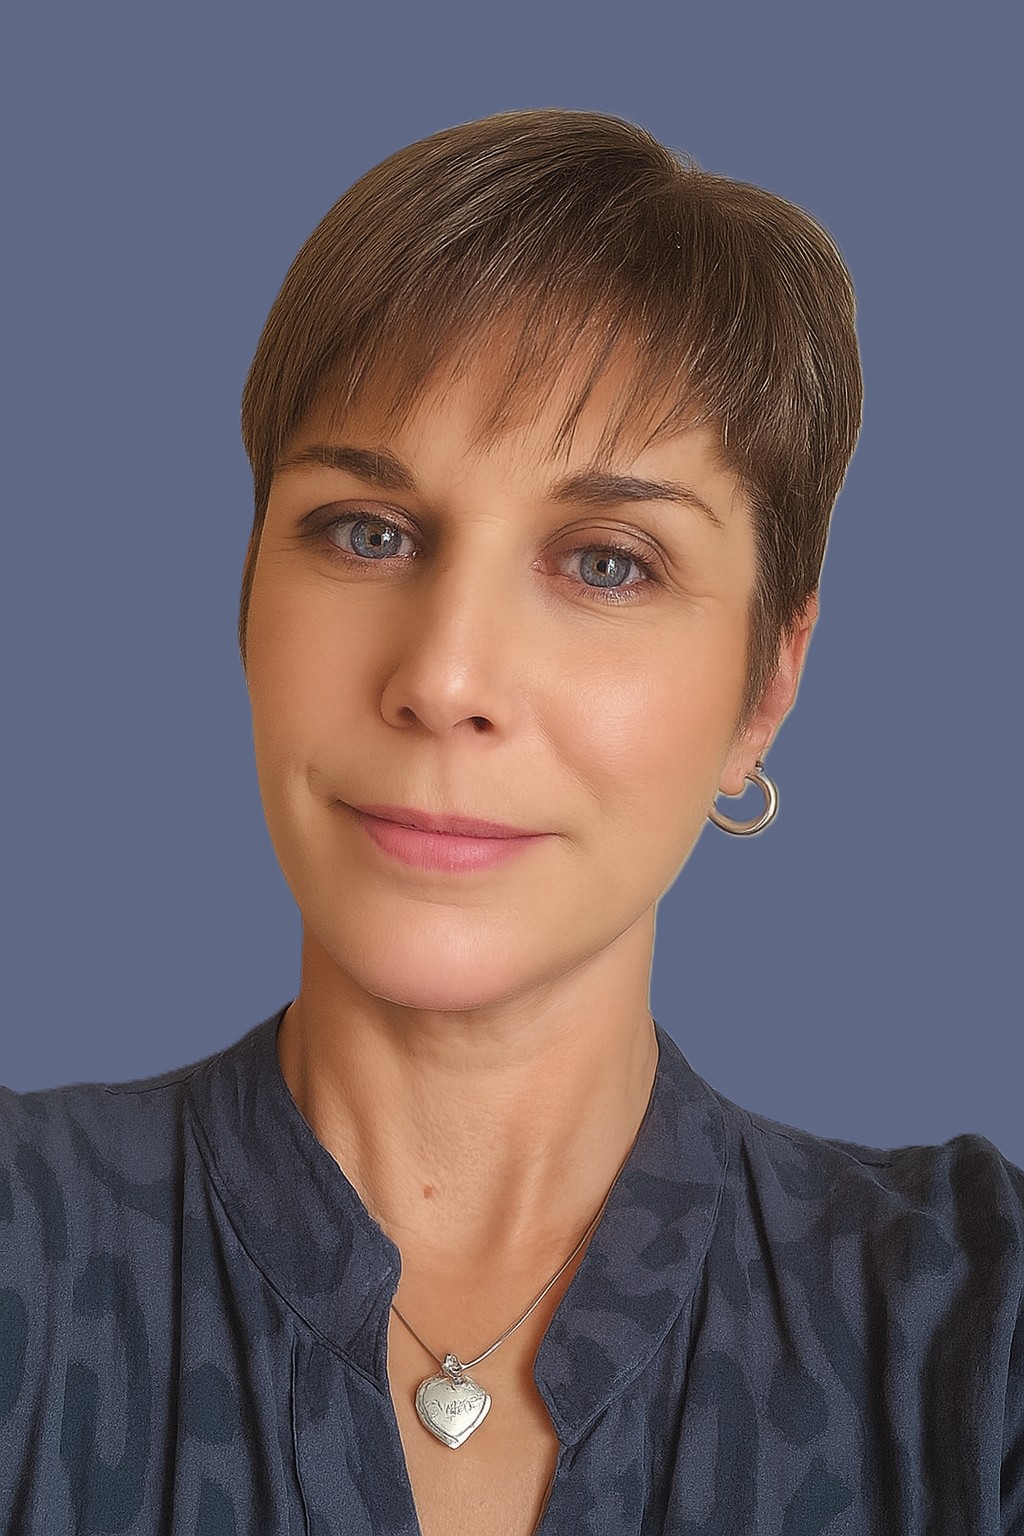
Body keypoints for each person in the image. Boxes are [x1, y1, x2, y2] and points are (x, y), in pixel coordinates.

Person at [1, 107, 1020, 1536]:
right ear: (246, 600)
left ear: (767, 687)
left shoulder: (971, 1332)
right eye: (368, 531)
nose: (445, 679)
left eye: (607, 562)